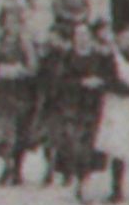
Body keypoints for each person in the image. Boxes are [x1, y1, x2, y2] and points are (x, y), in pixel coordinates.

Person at [39, 19, 104, 196]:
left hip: (93, 106)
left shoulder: (99, 57)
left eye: (85, 35)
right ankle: (78, 180)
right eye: (78, 35)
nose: (82, 39)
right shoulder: (67, 57)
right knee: (74, 145)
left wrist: (99, 82)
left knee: (90, 145)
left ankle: (84, 181)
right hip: (72, 106)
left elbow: (109, 76)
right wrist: (82, 82)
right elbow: (61, 81)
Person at [92, 27, 129, 204]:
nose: (128, 43)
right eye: (123, 39)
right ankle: (116, 191)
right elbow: (110, 82)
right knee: (117, 148)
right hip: (117, 106)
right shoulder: (111, 59)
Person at [0, 3, 42, 185]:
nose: (10, 25)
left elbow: (33, 67)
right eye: (6, 21)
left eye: (14, 21)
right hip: (1, 91)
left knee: (21, 129)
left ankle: (17, 168)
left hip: (20, 90)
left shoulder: (24, 42)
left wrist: (19, 70)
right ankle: (7, 164)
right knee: (1, 129)